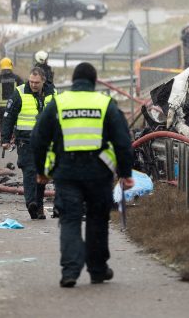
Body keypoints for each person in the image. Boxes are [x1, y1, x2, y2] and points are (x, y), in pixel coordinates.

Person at [31, 62, 134, 288]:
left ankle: (70, 271)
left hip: (66, 173)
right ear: (94, 81)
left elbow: (38, 138)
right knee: (97, 220)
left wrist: (41, 171)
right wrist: (126, 174)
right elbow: (123, 141)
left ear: (74, 81)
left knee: (69, 219)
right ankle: (97, 270)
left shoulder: (59, 103)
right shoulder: (106, 104)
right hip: (99, 174)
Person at [1, 66, 56, 220]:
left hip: (45, 142)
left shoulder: (53, 93)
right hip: (25, 141)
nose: (33, 85)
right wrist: (5, 139)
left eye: (36, 82)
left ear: (43, 81)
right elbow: (8, 116)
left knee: (41, 174)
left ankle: (39, 208)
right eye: (31, 81)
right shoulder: (19, 93)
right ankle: (31, 203)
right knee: (30, 171)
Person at [0, 58, 24, 124]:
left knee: (4, 127)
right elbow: (24, 92)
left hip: (2, 109)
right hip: (14, 107)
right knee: (14, 125)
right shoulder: (17, 78)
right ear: (11, 66)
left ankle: (5, 134)